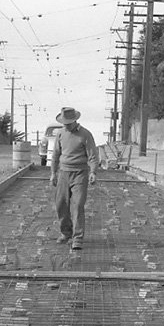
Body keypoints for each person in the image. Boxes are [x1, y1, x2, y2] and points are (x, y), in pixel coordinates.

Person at [50, 106, 99, 250]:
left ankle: (77, 238)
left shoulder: (85, 135)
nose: (66, 125)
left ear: (75, 120)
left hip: (80, 174)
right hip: (64, 173)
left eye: (68, 123)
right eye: (64, 123)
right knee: (61, 204)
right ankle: (66, 233)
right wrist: (53, 173)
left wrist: (93, 172)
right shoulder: (60, 134)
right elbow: (55, 155)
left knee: (78, 205)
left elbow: (92, 155)